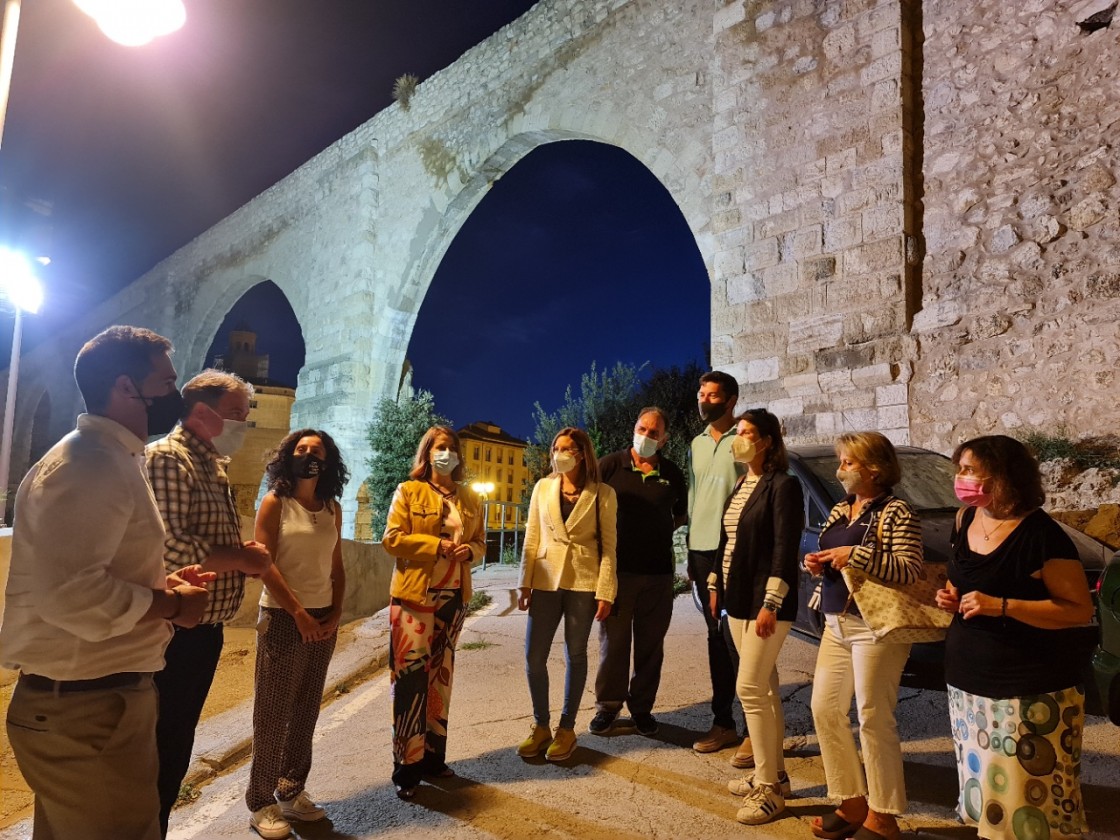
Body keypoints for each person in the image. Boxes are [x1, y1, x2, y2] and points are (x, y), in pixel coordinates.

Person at [1, 325, 212, 840]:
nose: (176, 395)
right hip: (85, 710)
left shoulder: (111, 458)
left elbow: (89, 571)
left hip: (93, 704)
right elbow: (70, 595)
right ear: (124, 387)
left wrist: (159, 582)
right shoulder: (90, 464)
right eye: (166, 382)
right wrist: (169, 604)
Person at [935, 435, 1093, 839]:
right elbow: (965, 581)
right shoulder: (965, 518)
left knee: (1030, 807)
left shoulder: (1041, 535)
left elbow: (1078, 610)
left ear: (1003, 476)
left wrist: (1001, 605)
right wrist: (953, 598)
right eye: (960, 469)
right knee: (991, 799)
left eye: (969, 470)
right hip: (969, 687)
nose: (961, 478)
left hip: (1029, 691)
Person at [146, 369, 273, 837]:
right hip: (175, 630)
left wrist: (237, 554)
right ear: (203, 412)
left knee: (176, 743)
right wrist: (240, 557)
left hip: (203, 631)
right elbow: (171, 544)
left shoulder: (210, 464)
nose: (244, 425)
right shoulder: (168, 459)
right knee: (159, 745)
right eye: (238, 415)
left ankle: (154, 826)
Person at [804, 431, 923, 840]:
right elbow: (835, 553)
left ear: (875, 468)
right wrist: (818, 562)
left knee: (873, 716)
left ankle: (884, 815)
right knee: (824, 708)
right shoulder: (842, 509)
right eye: (840, 461)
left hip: (876, 627)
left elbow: (909, 569)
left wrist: (853, 555)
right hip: (837, 621)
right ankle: (851, 799)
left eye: (848, 462)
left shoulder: (897, 511)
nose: (840, 469)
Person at [245, 429, 349, 839]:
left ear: (328, 460)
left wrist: (337, 610)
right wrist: (299, 612)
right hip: (285, 617)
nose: (309, 455)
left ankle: (291, 790)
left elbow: (337, 567)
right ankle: (261, 801)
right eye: (301, 449)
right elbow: (264, 564)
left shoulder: (333, 509)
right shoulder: (275, 504)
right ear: (288, 457)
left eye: (317, 450)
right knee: (272, 712)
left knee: (306, 709)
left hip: (324, 616)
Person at [709, 409, 803, 825]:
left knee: (748, 687)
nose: (740, 438)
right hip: (738, 598)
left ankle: (767, 790)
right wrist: (714, 581)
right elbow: (727, 539)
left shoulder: (784, 486)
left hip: (766, 603)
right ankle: (776, 776)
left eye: (748, 433)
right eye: (739, 432)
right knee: (763, 689)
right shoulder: (742, 484)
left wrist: (773, 601)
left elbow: (785, 546)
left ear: (767, 441)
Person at [382, 426, 485, 799]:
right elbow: (392, 539)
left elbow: (480, 543)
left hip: (453, 597)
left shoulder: (470, 497)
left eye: (452, 448)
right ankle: (406, 769)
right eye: (440, 447)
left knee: (440, 680)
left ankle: (432, 758)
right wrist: (436, 546)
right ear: (427, 453)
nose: (448, 453)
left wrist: (468, 552)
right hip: (414, 597)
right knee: (410, 682)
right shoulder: (409, 491)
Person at [517, 427, 618, 762]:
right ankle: (540, 725)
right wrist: (524, 583)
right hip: (545, 579)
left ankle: (566, 729)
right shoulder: (543, 487)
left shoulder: (602, 493)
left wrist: (606, 590)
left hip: (582, 582)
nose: (559, 453)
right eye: (556, 447)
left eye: (567, 448)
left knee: (576, 654)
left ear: (581, 453)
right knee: (534, 657)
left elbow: (608, 547)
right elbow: (532, 536)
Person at [590, 407, 687, 736]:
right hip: (617, 573)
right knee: (613, 644)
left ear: (664, 439)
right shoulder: (610, 465)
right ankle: (608, 707)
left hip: (658, 575)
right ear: (634, 428)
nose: (646, 435)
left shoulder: (672, 473)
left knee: (650, 645)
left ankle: (642, 707)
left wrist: (656, 533)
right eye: (642, 428)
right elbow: (587, 509)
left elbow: (681, 515)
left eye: (654, 432)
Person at [688, 370, 751, 765]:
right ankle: (723, 722)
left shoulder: (743, 441)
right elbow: (696, 498)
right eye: (701, 393)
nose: (704, 401)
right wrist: (687, 552)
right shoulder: (695, 443)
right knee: (715, 637)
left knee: (738, 639)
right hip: (700, 550)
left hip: (732, 550)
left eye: (712, 395)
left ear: (729, 401)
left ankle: (753, 730)